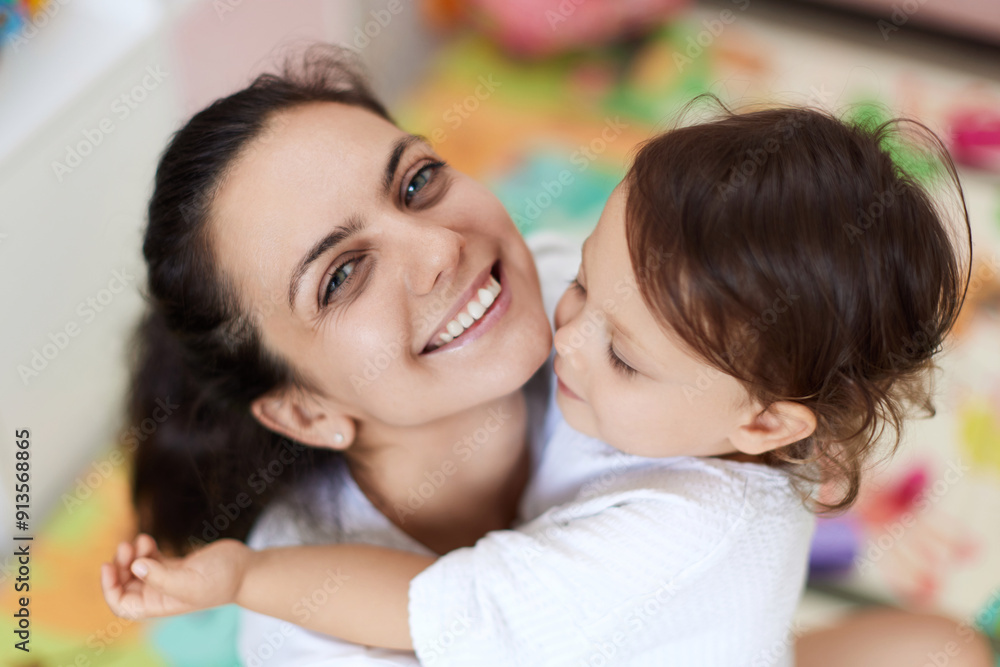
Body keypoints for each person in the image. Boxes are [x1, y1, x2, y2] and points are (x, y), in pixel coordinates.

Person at [105, 62, 995, 665]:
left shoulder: (594, 285)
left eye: (416, 182)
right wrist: (243, 578)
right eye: (341, 275)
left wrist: (828, 433)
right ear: (305, 412)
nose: (439, 252)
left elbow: (788, 324)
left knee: (942, 650)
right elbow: (452, 604)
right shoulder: (315, 624)